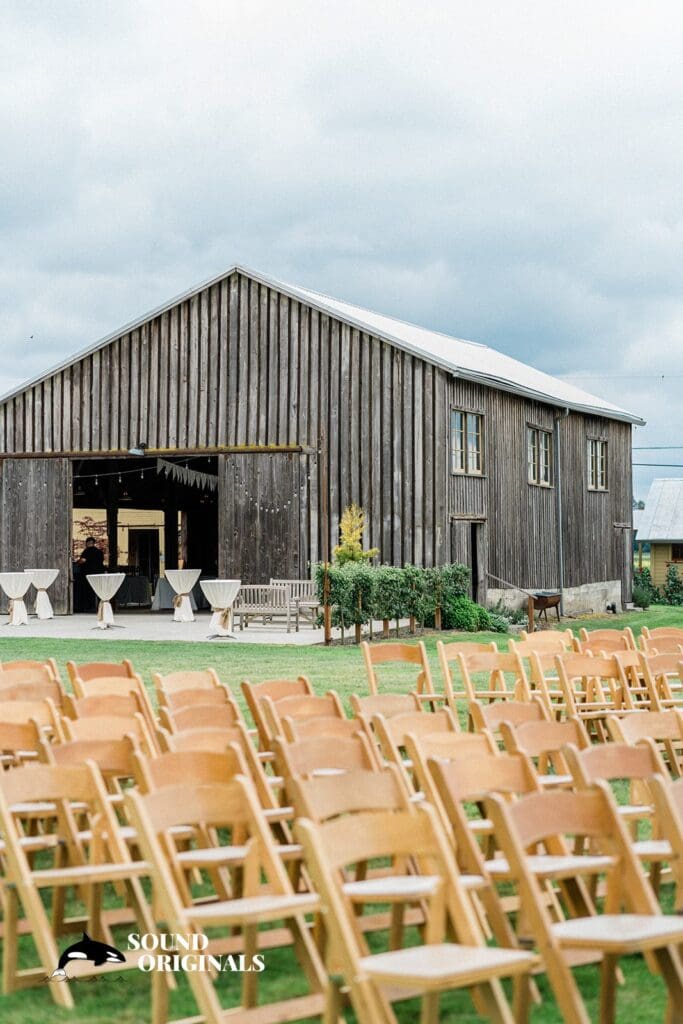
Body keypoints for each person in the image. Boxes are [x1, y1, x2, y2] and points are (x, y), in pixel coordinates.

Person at [76, 538, 105, 612]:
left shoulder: (87, 551)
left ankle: (88, 606)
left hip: (88, 574)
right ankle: (100, 606)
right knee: (98, 590)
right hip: (98, 573)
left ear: (87, 543)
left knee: (87, 590)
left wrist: (77, 562)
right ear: (94, 543)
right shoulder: (99, 552)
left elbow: (83, 560)